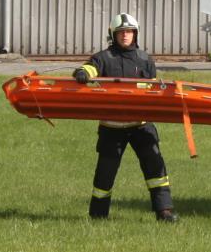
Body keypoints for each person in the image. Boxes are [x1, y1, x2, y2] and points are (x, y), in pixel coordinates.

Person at [73, 13, 177, 223]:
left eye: (129, 32)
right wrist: (82, 73)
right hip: (112, 126)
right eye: (121, 32)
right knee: (105, 172)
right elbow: (90, 68)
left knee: (156, 167)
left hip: (141, 124)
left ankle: (164, 211)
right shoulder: (103, 58)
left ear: (135, 34)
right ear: (113, 35)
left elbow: (154, 89)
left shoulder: (145, 59)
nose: (125, 36)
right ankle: (98, 215)